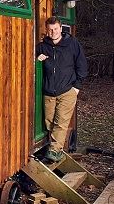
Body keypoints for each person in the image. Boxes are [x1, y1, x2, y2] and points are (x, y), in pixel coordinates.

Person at [36, 16, 88, 162]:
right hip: (48, 92)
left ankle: (54, 151)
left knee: (61, 122)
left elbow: (82, 65)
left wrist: (77, 87)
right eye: (50, 30)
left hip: (67, 90)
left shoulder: (72, 44)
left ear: (61, 28)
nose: (53, 32)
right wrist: (37, 59)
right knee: (49, 121)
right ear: (46, 30)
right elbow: (30, 63)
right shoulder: (42, 47)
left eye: (56, 29)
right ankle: (55, 148)